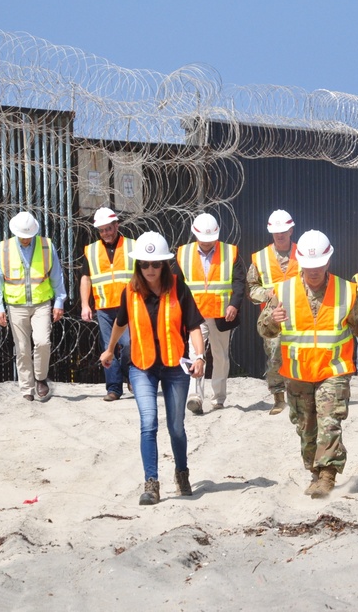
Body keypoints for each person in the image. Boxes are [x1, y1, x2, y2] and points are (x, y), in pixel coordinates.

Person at [257, 230, 358, 499]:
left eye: (318, 266)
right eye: (308, 267)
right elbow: (264, 330)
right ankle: (314, 472)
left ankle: (327, 473)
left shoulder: (345, 290)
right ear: (300, 263)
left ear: (328, 262)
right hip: (298, 372)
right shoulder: (282, 291)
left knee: (330, 421)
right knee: (306, 427)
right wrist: (273, 320)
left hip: (333, 370)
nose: (313, 272)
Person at [100, 232, 206, 505]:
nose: (150, 269)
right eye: (145, 264)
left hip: (174, 367)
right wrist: (110, 349)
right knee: (148, 424)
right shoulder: (130, 291)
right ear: (138, 265)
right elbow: (120, 323)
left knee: (176, 427)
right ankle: (151, 483)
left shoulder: (179, 289)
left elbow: (194, 326)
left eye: (155, 264)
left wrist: (199, 357)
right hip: (141, 366)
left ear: (164, 264)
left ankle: (182, 473)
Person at [0, 211, 67, 401]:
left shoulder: (46, 246)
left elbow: (56, 276)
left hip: (41, 303)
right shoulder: (4, 249)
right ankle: (26, 388)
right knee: (22, 348)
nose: (25, 240)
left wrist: (59, 302)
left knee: (42, 342)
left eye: (28, 236)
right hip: (16, 305)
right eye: (22, 236)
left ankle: (40, 378)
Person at [176, 213, 246, 414]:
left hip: (221, 314)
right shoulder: (183, 254)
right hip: (195, 315)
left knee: (220, 356)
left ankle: (218, 398)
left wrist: (234, 304)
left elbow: (239, 281)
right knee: (194, 353)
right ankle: (195, 396)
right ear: (195, 235)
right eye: (203, 239)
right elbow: (178, 284)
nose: (207, 243)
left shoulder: (230, 252)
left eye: (211, 239)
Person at [80, 207, 136, 401]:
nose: (106, 233)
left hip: (127, 306)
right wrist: (85, 305)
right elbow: (86, 278)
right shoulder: (92, 250)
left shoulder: (132, 246)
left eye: (109, 229)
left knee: (129, 344)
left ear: (116, 226)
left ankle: (130, 376)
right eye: (102, 230)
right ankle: (113, 389)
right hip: (103, 306)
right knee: (108, 347)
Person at [247, 209, 299, 415]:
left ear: (291, 230)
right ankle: (278, 397)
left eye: (284, 230)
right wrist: (265, 294)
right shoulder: (260, 258)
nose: (280, 234)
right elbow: (251, 288)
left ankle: (299, 394)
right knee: (275, 353)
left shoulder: (302, 252)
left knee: (298, 354)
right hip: (272, 316)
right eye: (276, 231)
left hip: (300, 313)